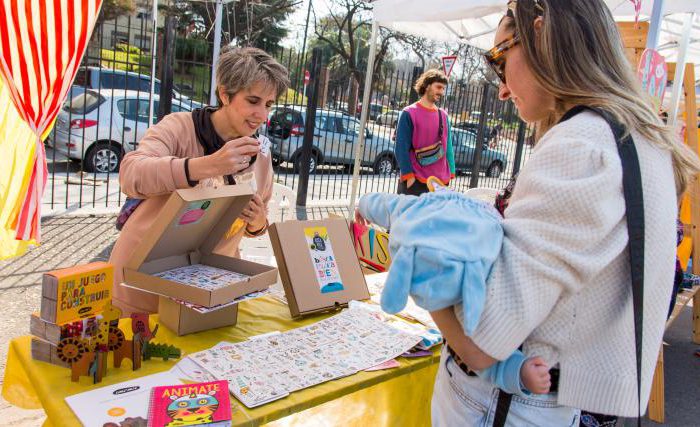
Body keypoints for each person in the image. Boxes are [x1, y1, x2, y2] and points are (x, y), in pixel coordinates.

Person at [425, 1, 700, 426]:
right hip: (558, 399)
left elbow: (482, 341)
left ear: (543, 35)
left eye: (499, 58)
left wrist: (423, 259)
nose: (500, 88)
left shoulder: (581, 145)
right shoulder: (639, 138)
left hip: (504, 403)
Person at [109, 46, 289, 315]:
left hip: (210, 293)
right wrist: (207, 166)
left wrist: (257, 219)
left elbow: (258, 225)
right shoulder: (179, 127)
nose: (262, 115)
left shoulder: (259, 154)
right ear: (225, 94)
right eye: (253, 101)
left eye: (268, 105)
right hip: (143, 284)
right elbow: (131, 174)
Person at [356, 188, 551, 397]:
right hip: (458, 379)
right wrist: (365, 204)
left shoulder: (495, 262)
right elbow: (387, 205)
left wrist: (518, 371)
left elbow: (479, 353)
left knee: (479, 335)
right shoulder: (428, 211)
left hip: (487, 386)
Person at [394, 69, 455, 196]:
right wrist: (409, 177)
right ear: (427, 86)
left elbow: (447, 145)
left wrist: (451, 174)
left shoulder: (443, 115)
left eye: (443, 89)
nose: (441, 92)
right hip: (416, 181)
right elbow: (400, 148)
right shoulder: (409, 113)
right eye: (438, 87)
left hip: (441, 183)